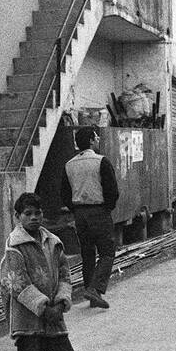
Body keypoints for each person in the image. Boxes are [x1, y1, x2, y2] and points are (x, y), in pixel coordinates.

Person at [0, 192, 118, 351]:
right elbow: (17, 283)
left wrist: (62, 301)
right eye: (27, 214)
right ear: (17, 216)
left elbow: (65, 274)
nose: (34, 218)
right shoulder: (14, 246)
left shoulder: (53, 242)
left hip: (55, 317)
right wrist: (44, 306)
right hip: (29, 320)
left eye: (37, 213)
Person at [61, 125, 119, 309]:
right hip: (98, 211)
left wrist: (76, 209)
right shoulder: (101, 161)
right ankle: (95, 289)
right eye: (96, 138)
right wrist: (107, 208)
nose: (98, 140)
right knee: (107, 252)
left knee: (87, 253)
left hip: (79, 214)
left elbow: (64, 194)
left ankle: (90, 291)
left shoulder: (69, 165)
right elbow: (112, 190)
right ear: (92, 141)